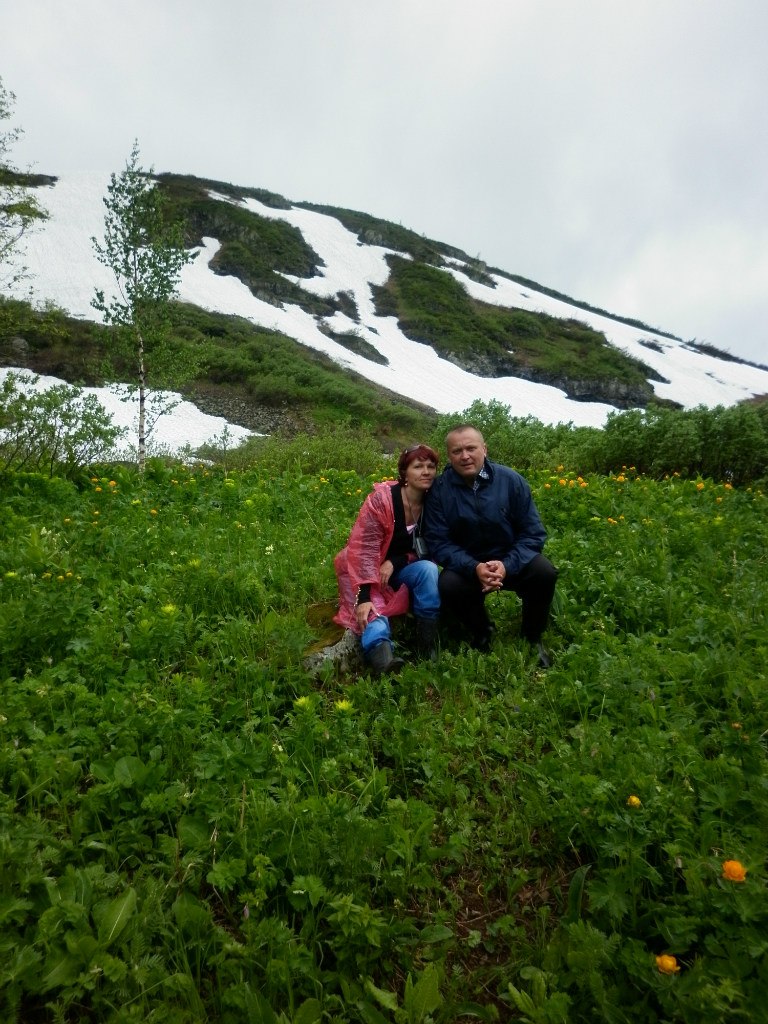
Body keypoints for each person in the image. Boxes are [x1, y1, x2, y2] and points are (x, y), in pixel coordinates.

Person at [423, 425, 557, 668]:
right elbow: (438, 542)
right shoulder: (439, 490)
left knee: (544, 572)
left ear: (484, 449)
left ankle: (532, 637)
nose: (465, 456)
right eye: (457, 451)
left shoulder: (511, 480)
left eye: (471, 448)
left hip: (511, 559)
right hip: (469, 563)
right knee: (449, 584)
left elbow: (533, 533)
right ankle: (482, 630)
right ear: (449, 456)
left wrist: (506, 565)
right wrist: (474, 567)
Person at [333, 443, 441, 675]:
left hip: (399, 568)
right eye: (418, 466)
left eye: (431, 466)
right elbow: (364, 549)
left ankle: (426, 645)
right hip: (362, 570)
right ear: (404, 472)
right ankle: (384, 661)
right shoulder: (382, 501)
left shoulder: (434, 502)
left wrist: (395, 562)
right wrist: (363, 595)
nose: (426, 471)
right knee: (370, 609)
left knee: (429, 570)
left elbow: (431, 546)